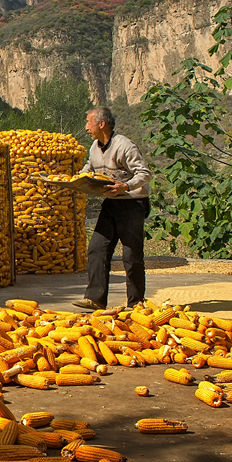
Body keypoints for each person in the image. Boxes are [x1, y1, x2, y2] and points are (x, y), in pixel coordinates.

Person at [74, 106, 151, 310]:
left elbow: (144, 173)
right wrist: (75, 180)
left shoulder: (125, 146)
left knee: (131, 255)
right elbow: (89, 169)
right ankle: (95, 298)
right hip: (111, 203)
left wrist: (125, 186)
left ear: (101, 124)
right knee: (97, 249)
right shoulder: (94, 147)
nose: (86, 127)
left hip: (132, 202)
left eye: (89, 122)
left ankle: (136, 303)